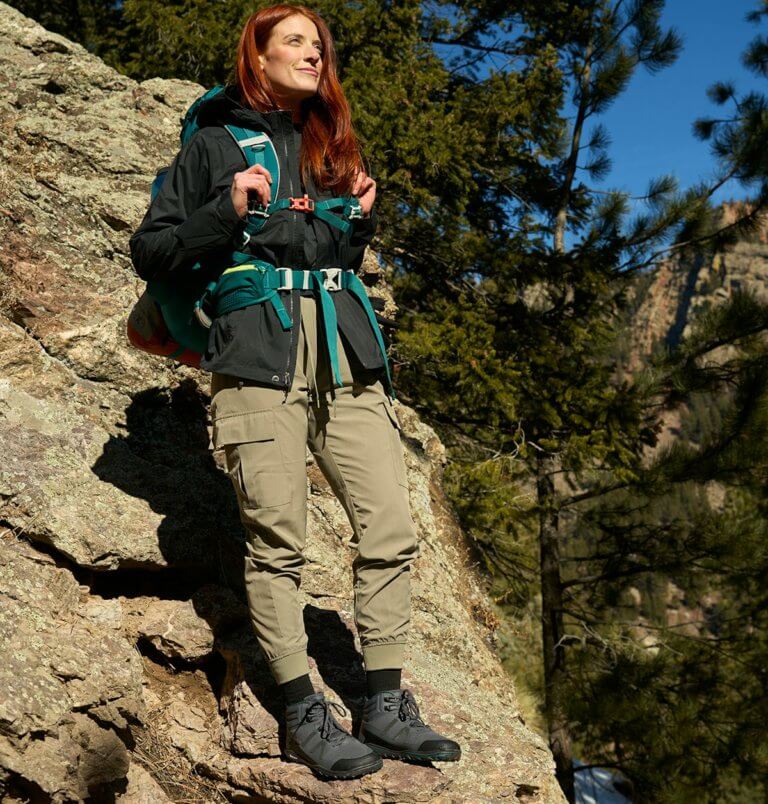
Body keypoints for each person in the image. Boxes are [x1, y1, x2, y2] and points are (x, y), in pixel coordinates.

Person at [129, 3, 461, 781]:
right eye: (296, 42)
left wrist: (361, 224)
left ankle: (384, 702)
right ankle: (301, 709)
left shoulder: (331, 148)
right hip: (255, 357)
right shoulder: (212, 146)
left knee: (389, 529)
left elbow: (326, 248)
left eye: (320, 44)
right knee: (278, 544)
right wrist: (226, 208)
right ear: (259, 54)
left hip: (347, 358)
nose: (314, 54)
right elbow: (152, 250)